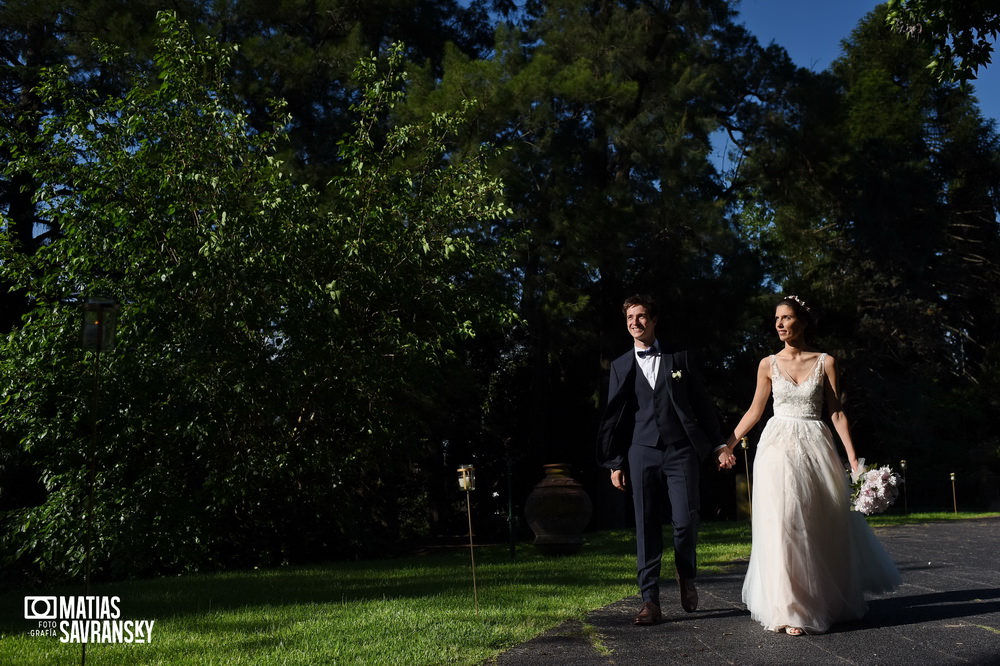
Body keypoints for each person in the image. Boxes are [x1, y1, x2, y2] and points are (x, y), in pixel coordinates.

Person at [716, 295, 901, 635]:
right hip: (776, 449)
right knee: (785, 524)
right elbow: (755, 410)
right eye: (776, 319)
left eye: (786, 317)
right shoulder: (767, 364)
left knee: (817, 524)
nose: (780, 324)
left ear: (802, 320)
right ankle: (789, 608)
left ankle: (822, 600)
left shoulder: (826, 361)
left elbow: (837, 413)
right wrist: (726, 444)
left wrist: (853, 462)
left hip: (816, 446)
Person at [597, 294, 723, 625]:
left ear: (653, 321)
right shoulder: (621, 365)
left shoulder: (679, 358)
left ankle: (686, 573)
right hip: (640, 451)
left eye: (641, 317)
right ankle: (650, 601)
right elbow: (614, 417)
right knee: (646, 524)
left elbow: (702, 403)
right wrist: (614, 462)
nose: (635, 323)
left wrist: (718, 444)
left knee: (684, 521)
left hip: (680, 449)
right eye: (629, 319)